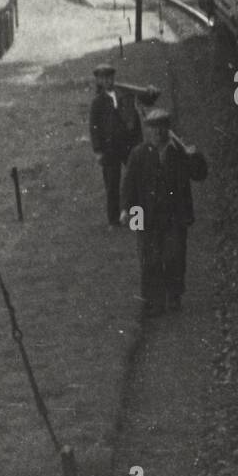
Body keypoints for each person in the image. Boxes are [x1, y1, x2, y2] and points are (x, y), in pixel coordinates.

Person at [119, 108, 208, 317]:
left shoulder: (180, 153)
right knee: (149, 258)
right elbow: (129, 184)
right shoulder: (139, 153)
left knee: (174, 255)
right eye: (153, 128)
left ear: (168, 129)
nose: (157, 133)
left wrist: (195, 156)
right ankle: (154, 301)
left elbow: (200, 174)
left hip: (174, 215)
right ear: (148, 130)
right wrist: (125, 209)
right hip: (146, 215)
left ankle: (174, 295)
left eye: (161, 128)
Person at [88, 64, 137, 226]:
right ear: (99, 81)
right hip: (109, 148)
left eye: (110, 77)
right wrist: (98, 151)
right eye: (104, 78)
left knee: (134, 179)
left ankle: (137, 218)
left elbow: (133, 116)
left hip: (128, 144)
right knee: (112, 184)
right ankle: (114, 220)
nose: (108, 81)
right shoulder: (97, 102)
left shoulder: (123, 95)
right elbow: (94, 128)